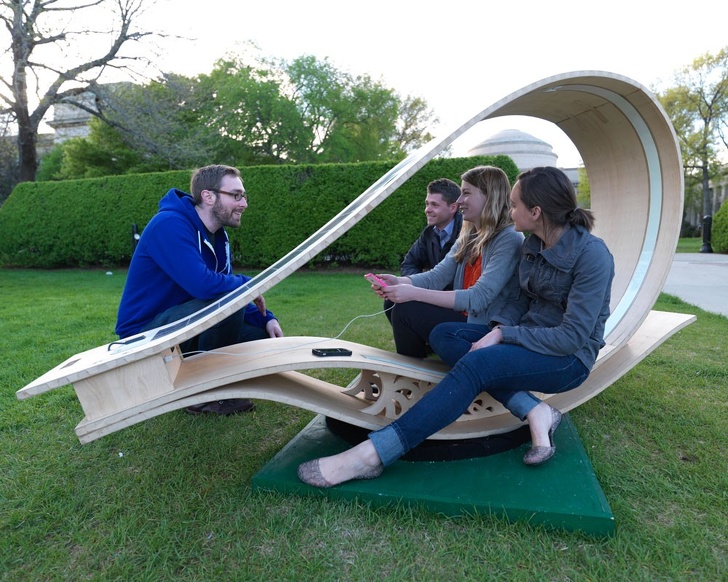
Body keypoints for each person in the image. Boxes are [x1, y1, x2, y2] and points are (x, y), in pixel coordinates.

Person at [298, 166, 614, 487]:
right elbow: (520, 301)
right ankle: (533, 409)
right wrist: (497, 329)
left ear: (536, 211)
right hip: (525, 339)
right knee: (444, 335)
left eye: (515, 204)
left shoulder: (591, 256)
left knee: (477, 365)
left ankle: (373, 455)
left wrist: (504, 333)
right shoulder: (534, 244)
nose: (510, 209)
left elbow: (572, 337)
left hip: (567, 358)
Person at [115, 164, 284, 415]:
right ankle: (201, 394)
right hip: (145, 335)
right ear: (208, 196)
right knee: (229, 299)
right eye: (236, 195)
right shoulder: (169, 225)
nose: (244, 203)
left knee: (261, 337)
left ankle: (212, 378)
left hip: (185, 324)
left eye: (244, 196)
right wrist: (249, 285)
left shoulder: (219, 236)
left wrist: (267, 319)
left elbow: (222, 285)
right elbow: (204, 286)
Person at [373, 166, 524, 358]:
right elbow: (437, 276)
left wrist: (414, 293)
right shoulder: (469, 234)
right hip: (464, 317)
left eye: (466, 193)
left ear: (489, 196)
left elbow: (478, 298)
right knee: (393, 303)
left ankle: (412, 376)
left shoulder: (509, 238)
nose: (459, 200)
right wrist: (398, 281)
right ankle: (414, 371)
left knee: (406, 308)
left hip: (485, 327)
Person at [383, 178, 463, 324]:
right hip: (432, 293)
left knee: (405, 307)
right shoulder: (429, 233)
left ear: (453, 208)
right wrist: (413, 286)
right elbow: (409, 263)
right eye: (427, 203)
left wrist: (420, 292)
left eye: (435, 205)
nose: (427, 209)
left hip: (455, 302)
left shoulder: (465, 233)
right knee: (391, 302)